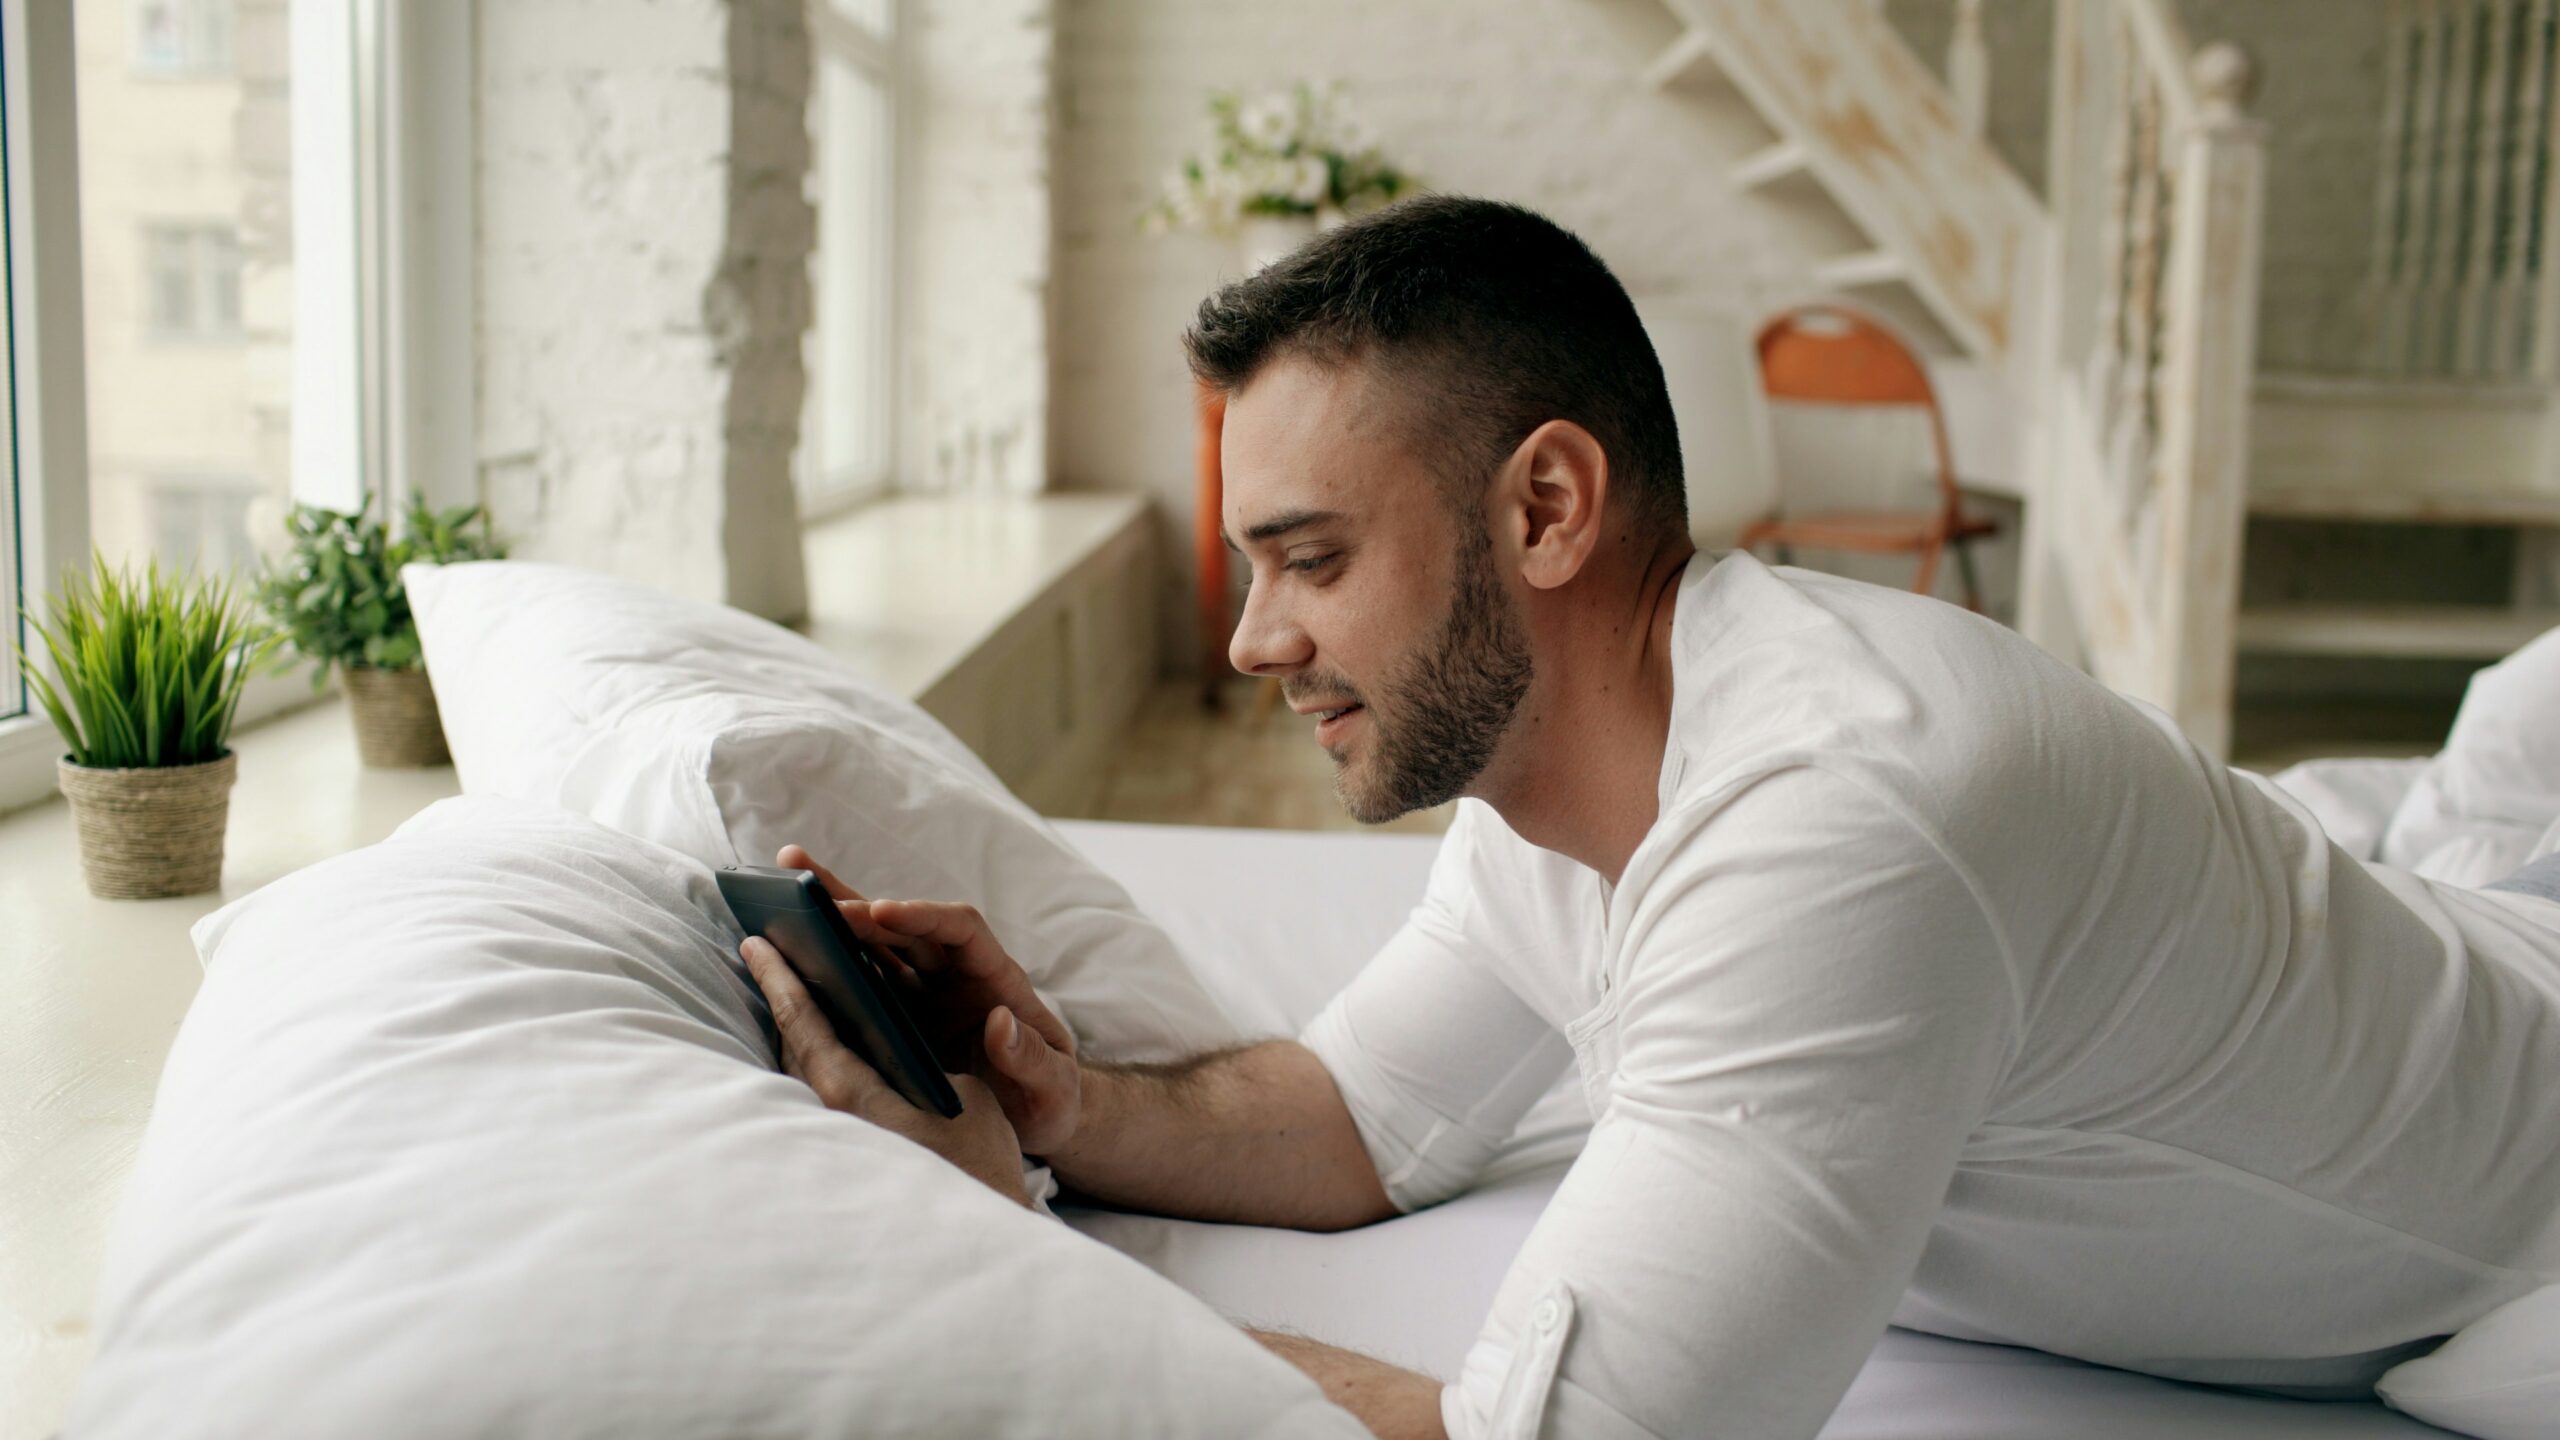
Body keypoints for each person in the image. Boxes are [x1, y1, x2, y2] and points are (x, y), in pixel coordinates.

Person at [738, 196, 2560, 1440]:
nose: (1250, 639)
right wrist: (1054, 1097)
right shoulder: (1565, 774)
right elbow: (1360, 1120)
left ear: (1546, 509)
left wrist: (1001, 1248)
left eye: (1311, 559)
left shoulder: (1835, 828)